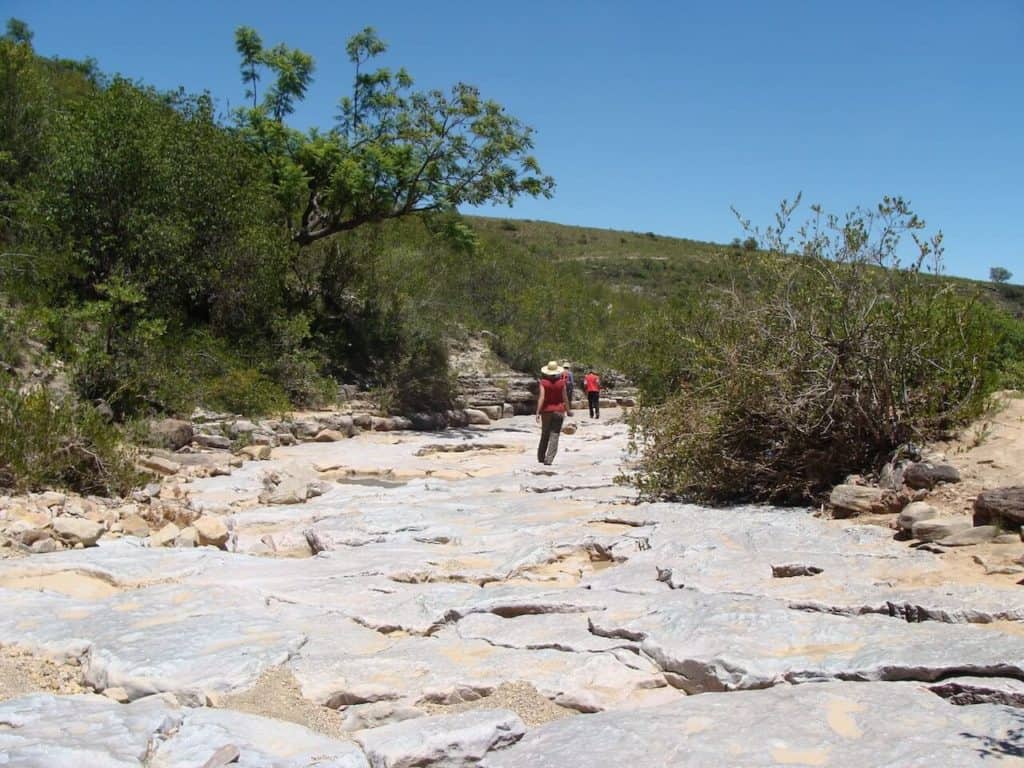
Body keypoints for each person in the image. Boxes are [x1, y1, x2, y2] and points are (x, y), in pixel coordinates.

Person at [536, 360, 572, 465]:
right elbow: (565, 398)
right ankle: (549, 459)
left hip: (546, 411)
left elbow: (541, 397)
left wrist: (538, 412)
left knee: (544, 434)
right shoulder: (561, 383)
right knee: (554, 435)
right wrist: (568, 411)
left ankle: (541, 457)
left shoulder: (543, 383)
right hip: (559, 411)